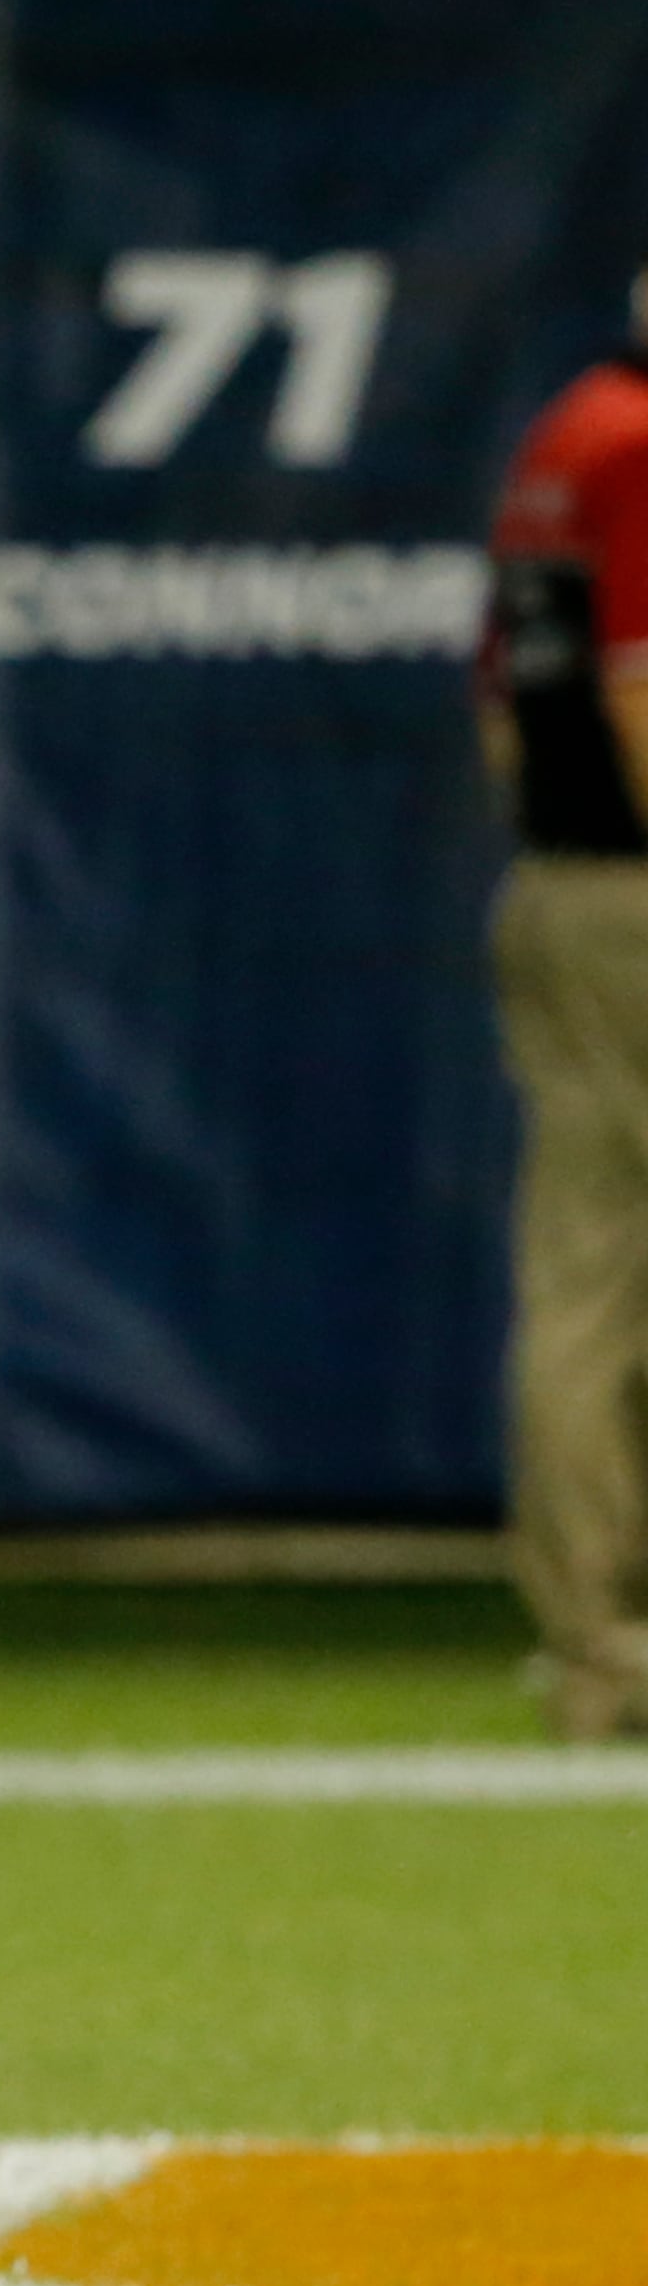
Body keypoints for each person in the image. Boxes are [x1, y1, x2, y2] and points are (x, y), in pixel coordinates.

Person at [483, 263, 648, 1738]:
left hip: (563, 882)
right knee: (597, 1289)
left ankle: (598, 1646)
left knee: (588, 1279)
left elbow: (503, 706)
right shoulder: (640, 443)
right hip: (633, 902)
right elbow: (642, 690)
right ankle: (607, 1644)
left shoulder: (570, 428)